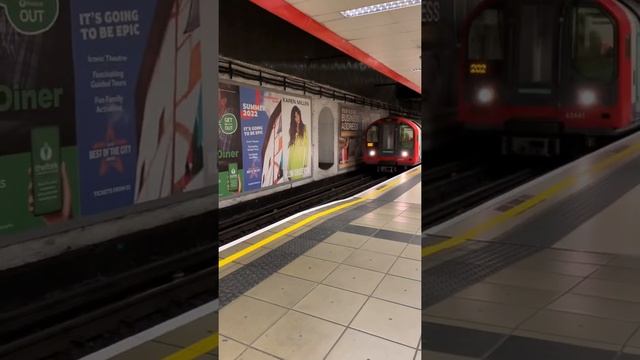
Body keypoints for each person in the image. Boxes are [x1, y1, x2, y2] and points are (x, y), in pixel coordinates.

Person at [287, 106, 309, 180]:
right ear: (293, 118)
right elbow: (290, 149)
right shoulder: (291, 129)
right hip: (293, 159)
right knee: (293, 180)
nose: (297, 118)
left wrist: (305, 162)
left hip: (301, 159)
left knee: (299, 180)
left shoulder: (304, 128)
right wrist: (288, 167)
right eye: (295, 116)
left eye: (298, 115)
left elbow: (307, 146)